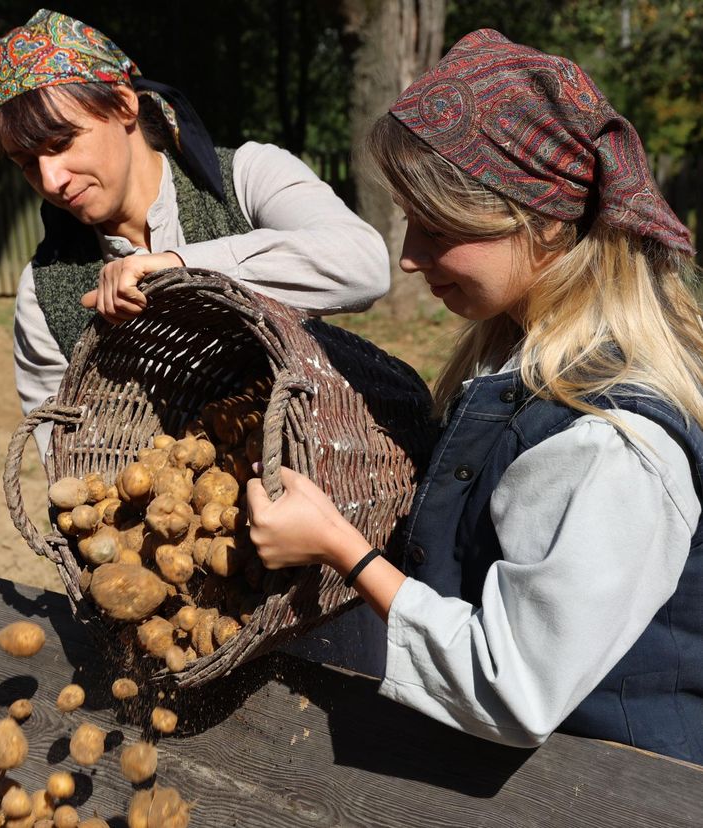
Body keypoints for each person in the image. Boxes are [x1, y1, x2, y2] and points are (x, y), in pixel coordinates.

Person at [246, 28, 703, 765]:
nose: (408, 257)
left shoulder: (611, 445)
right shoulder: (517, 354)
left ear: (544, 223)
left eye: (438, 229)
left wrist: (343, 549)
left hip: (624, 793)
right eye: (409, 224)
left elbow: (512, 683)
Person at [0, 9, 389, 455]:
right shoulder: (44, 294)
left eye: (60, 143)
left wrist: (181, 266)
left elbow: (364, 265)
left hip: (329, 475)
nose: (49, 180)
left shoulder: (248, 177)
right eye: (26, 163)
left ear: (124, 103)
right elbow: (66, 456)